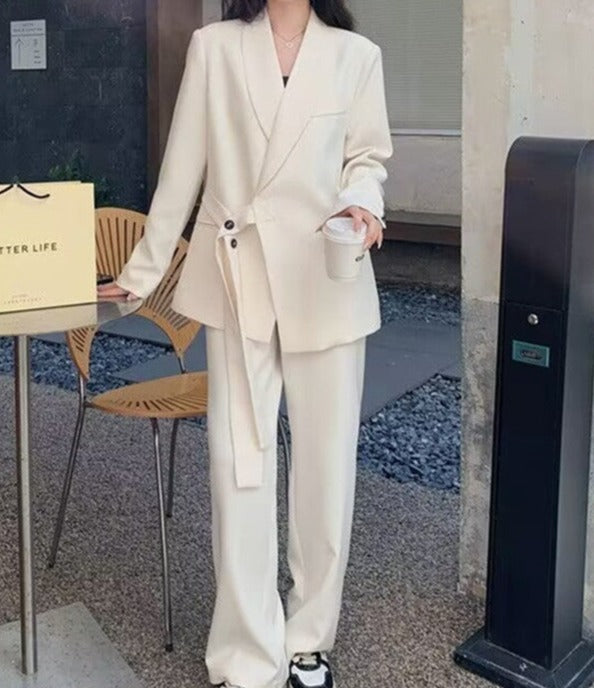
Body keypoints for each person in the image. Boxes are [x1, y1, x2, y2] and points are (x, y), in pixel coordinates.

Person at [99, 0, 393, 685]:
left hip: (327, 275)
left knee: (327, 469)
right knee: (240, 467)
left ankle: (308, 641)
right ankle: (246, 653)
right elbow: (182, 169)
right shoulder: (216, 47)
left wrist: (363, 203)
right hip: (238, 276)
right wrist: (141, 273)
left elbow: (367, 157)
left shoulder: (356, 56)